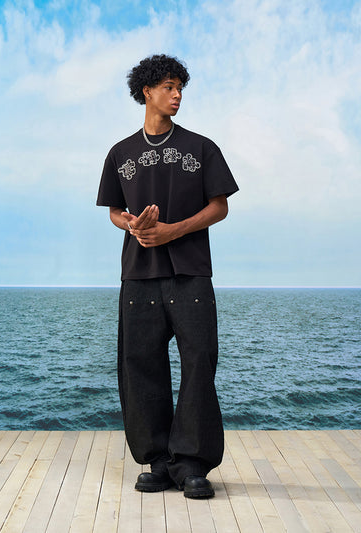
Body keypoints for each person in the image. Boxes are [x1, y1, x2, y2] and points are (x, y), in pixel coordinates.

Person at [96, 54, 238, 499]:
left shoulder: (202, 148)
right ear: (147, 91)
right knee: (140, 366)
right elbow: (115, 211)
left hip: (191, 273)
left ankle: (192, 464)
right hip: (138, 276)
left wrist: (174, 230)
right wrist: (131, 225)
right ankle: (158, 462)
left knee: (199, 363)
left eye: (180, 88)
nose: (177, 96)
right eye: (169, 87)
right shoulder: (120, 154)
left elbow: (220, 206)